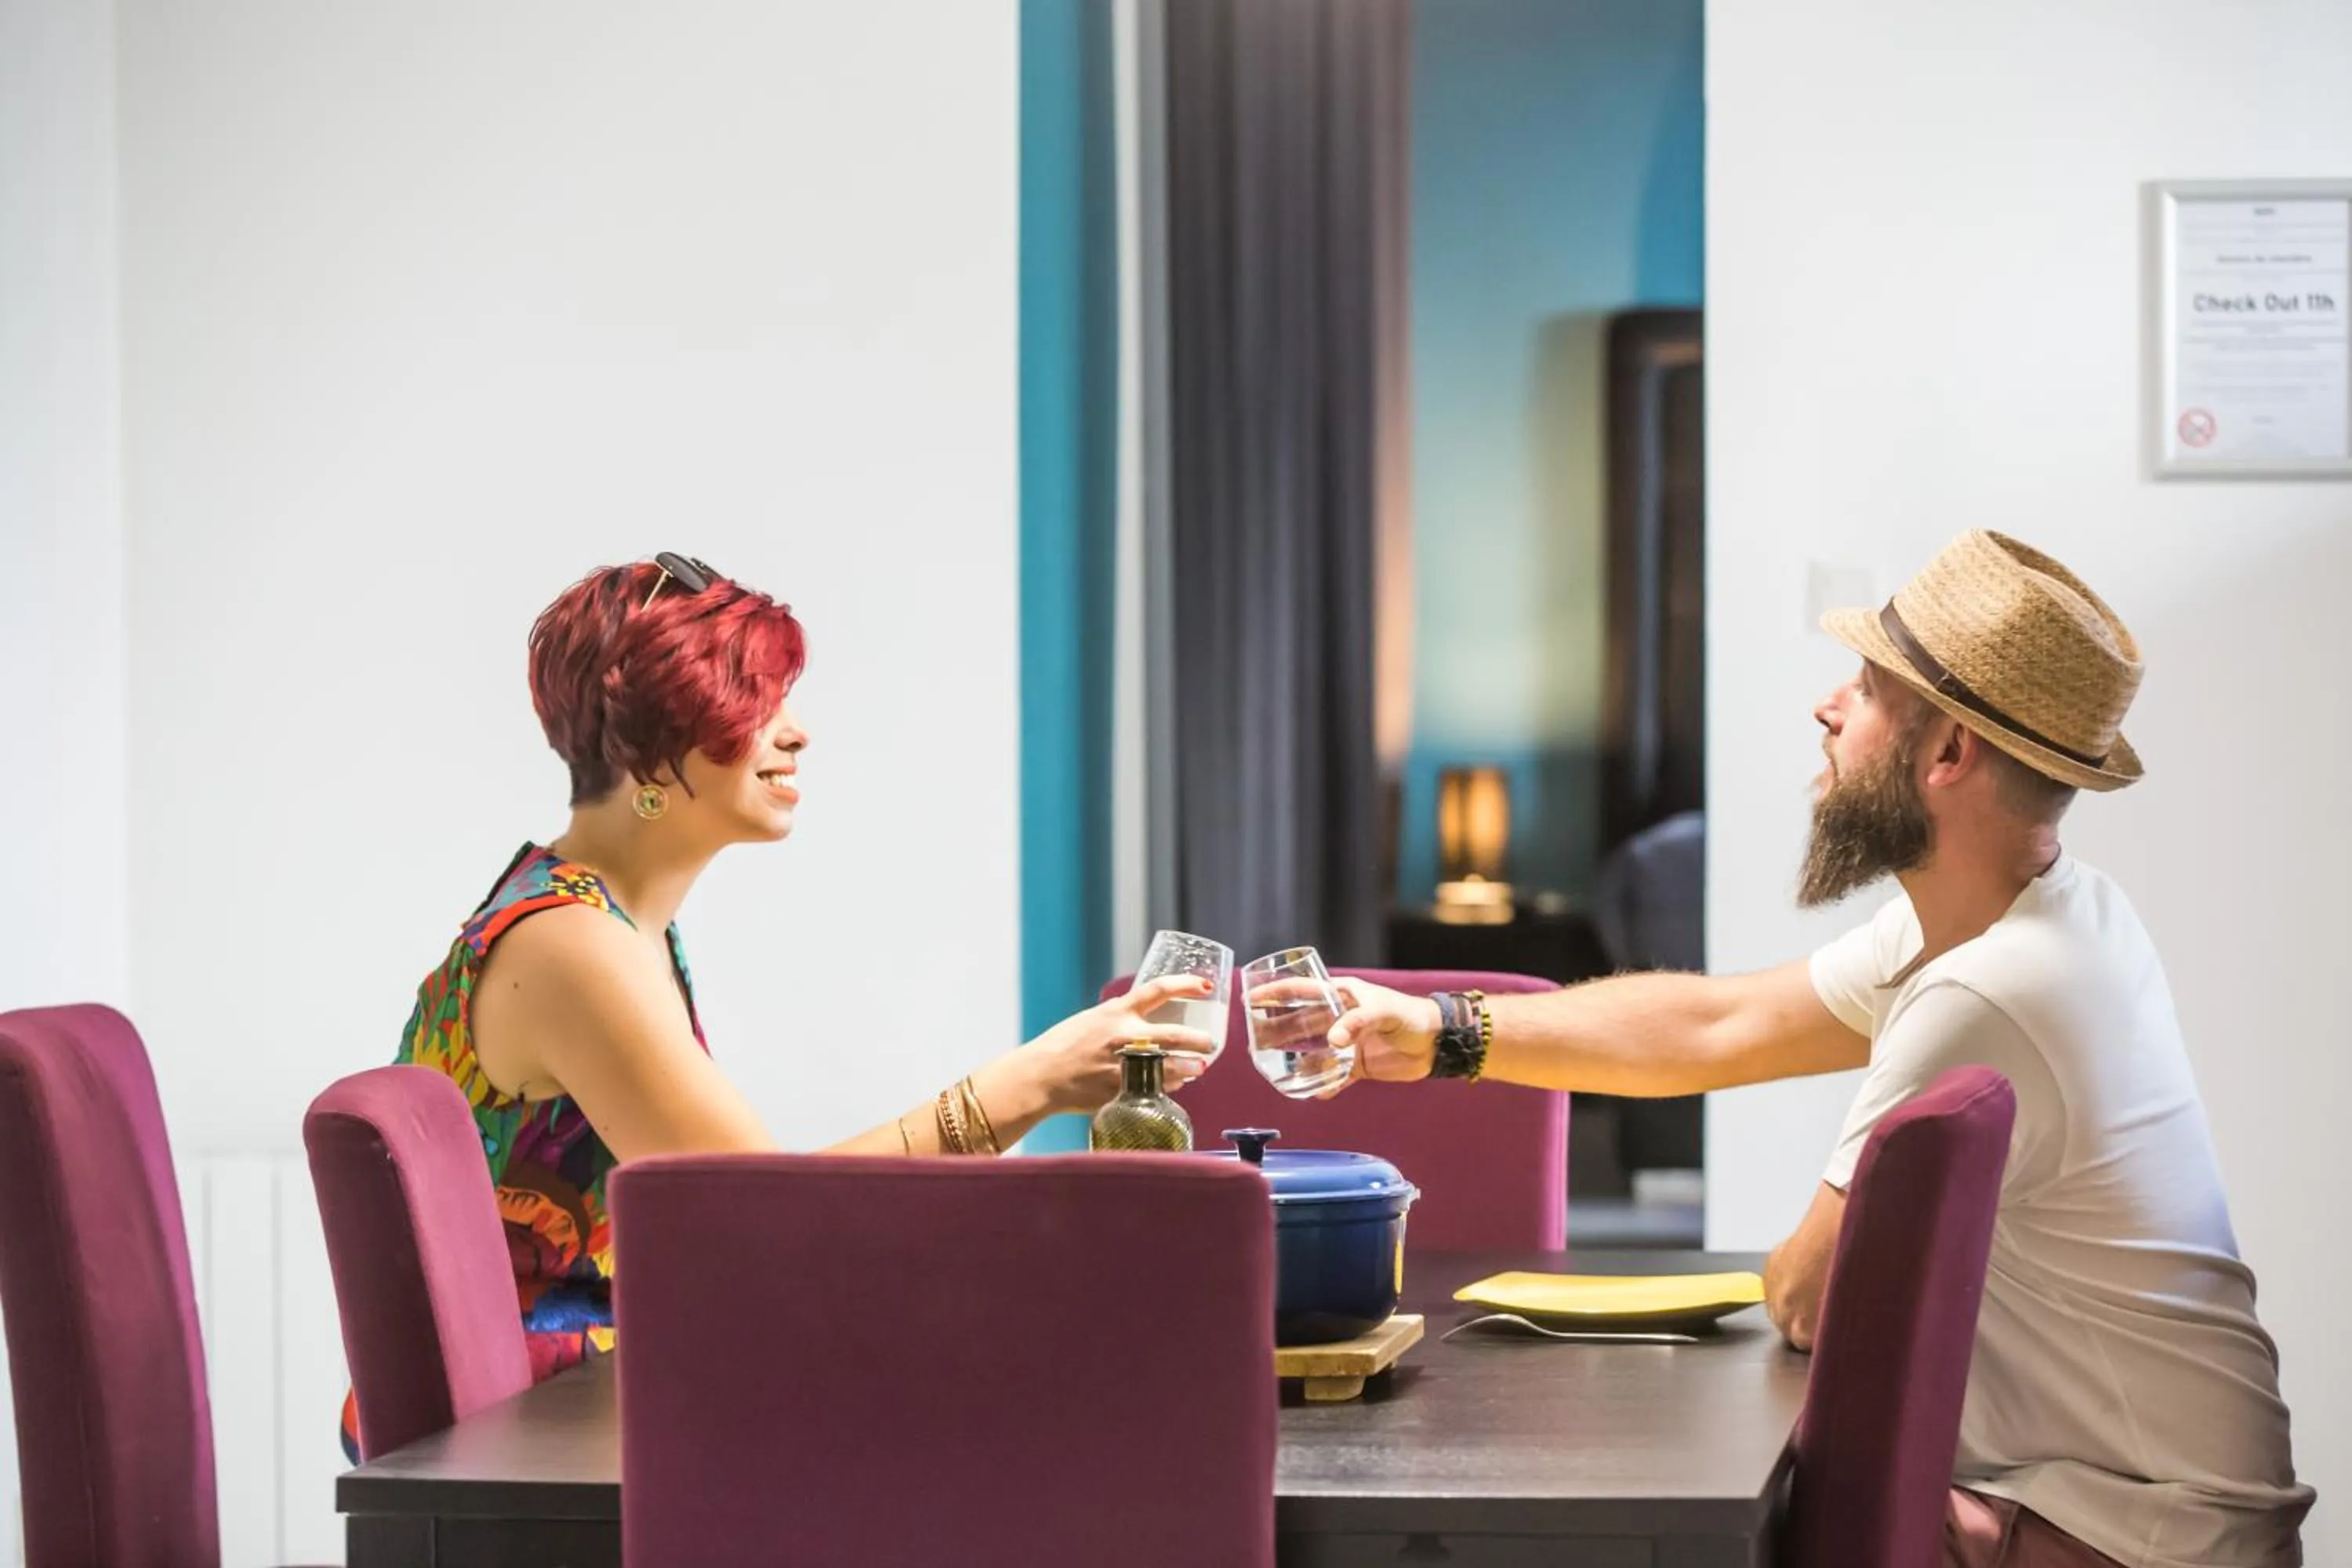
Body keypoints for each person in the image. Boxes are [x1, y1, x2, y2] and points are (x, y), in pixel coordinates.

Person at [1326, 532, 2313, 1566]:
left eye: (1868, 690)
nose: (1827, 707)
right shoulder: (2031, 918)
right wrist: (1446, 1030)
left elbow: (1808, 1295)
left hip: (2140, 1535)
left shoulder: (1992, 986)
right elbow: (1720, 1025)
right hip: (2122, 1508)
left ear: (1947, 754)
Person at [343, 553, 1213, 1455]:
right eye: (752, 703)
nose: (795, 733)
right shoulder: (572, 945)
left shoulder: (615, 923)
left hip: (600, 1407)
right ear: (645, 750)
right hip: (538, 1448)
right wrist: (1029, 1082)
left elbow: (739, 1217)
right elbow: (766, 1223)